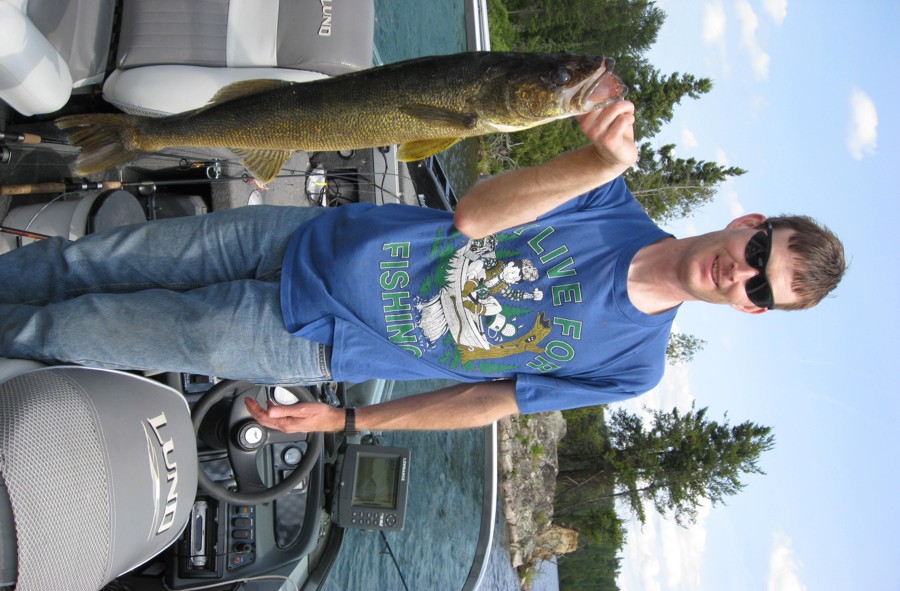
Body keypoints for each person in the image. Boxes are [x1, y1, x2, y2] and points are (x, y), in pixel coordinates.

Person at [0, 101, 845, 434]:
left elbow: (487, 401)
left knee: (77, 328)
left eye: (761, 289)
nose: (745, 273)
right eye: (759, 253)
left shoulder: (632, 365)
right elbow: (477, 214)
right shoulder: (604, 201)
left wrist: (351, 424)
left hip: (314, 338)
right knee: (91, 259)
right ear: (747, 222)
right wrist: (596, 164)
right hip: (302, 239)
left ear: (752, 312)